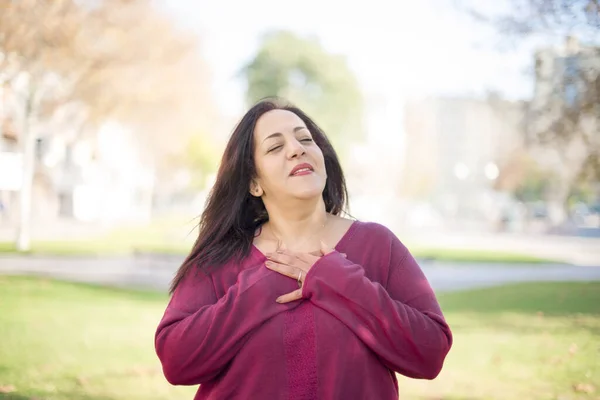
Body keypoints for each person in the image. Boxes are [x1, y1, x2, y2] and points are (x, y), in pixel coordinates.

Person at [155, 98, 453, 399]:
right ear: (254, 183)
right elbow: (176, 361)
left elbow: (430, 353)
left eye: (305, 139)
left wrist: (339, 283)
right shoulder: (223, 257)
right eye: (274, 147)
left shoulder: (378, 245)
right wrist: (259, 288)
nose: (297, 149)